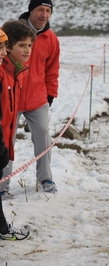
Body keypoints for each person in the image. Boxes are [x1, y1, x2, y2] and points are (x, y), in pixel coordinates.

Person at [0, 0, 60, 197]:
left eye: (48, 10)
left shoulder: (51, 39)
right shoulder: (10, 32)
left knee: (43, 134)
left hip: (37, 98)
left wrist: (50, 95)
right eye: (40, 10)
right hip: (10, 96)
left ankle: (46, 178)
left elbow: (52, 70)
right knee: (6, 140)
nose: (44, 14)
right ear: (31, 11)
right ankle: (2, 184)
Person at [0, 22, 35, 240]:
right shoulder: (3, 73)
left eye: (30, 45)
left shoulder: (13, 72)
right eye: (22, 45)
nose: (27, 50)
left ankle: (2, 229)